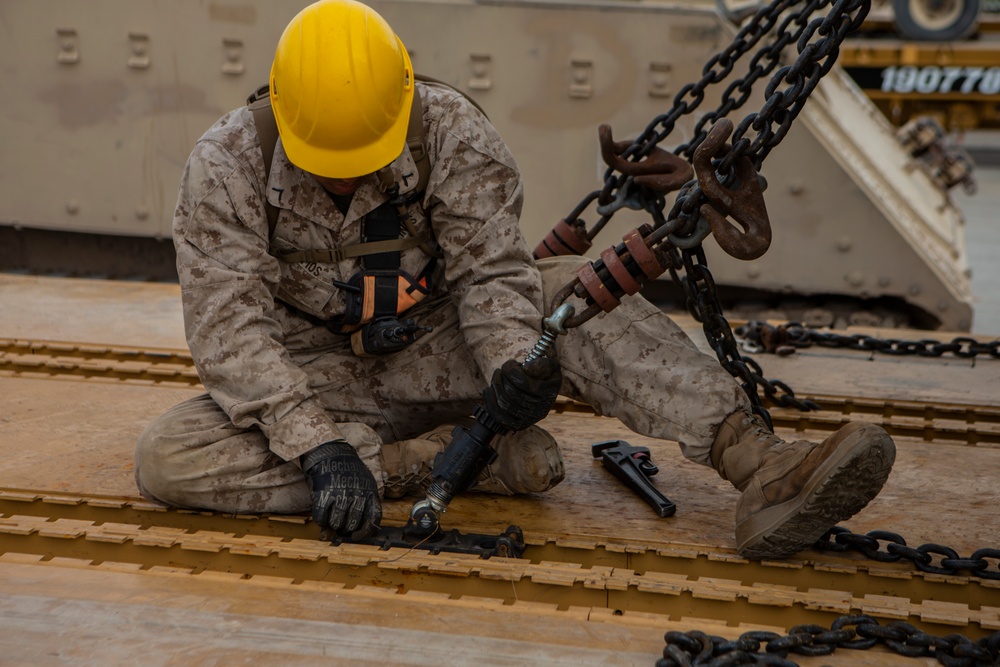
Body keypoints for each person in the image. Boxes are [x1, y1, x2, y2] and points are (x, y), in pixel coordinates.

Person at [134, 0, 895, 559]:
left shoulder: (454, 134)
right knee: (168, 455)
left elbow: (493, 273)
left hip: (444, 349)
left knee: (566, 291)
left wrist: (508, 363)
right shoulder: (225, 164)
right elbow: (229, 328)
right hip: (318, 378)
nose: (344, 185)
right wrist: (315, 445)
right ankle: (438, 463)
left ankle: (762, 467)